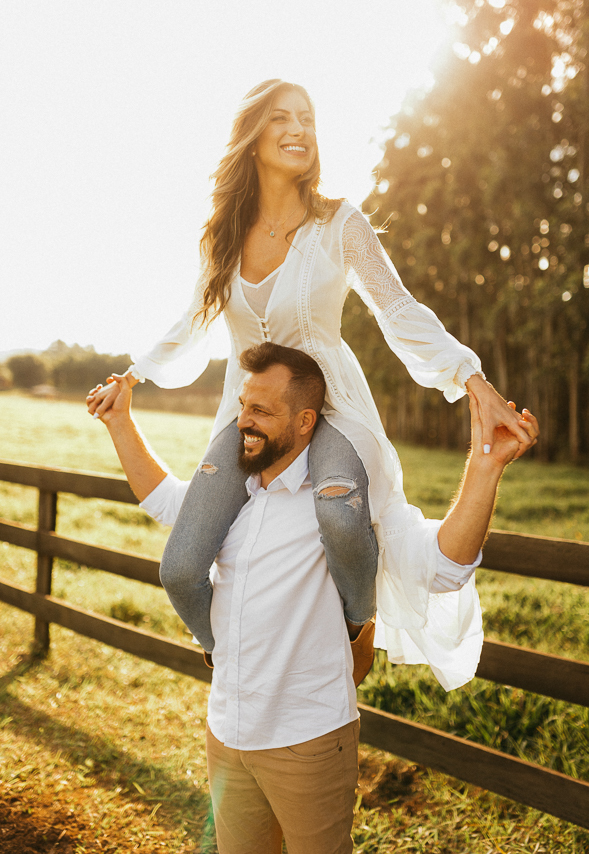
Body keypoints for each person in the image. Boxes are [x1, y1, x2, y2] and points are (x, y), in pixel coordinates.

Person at [87, 78, 533, 675]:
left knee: (342, 519)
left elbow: (396, 309)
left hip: (332, 409)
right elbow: (194, 319)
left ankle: (357, 623)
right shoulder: (221, 236)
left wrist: (470, 377)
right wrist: (137, 375)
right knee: (181, 565)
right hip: (250, 414)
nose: (299, 129)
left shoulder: (339, 224)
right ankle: (228, 657)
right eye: (282, 118)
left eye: (308, 119)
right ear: (253, 137)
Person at [96, 342, 538, 854]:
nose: (243, 421)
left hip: (307, 741)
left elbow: (443, 566)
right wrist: (120, 422)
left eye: (261, 411)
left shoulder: (342, 502)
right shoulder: (231, 494)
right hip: (226, 735)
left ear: (306, 420)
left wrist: (487, 467)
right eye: (242, 405)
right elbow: (168, 502)